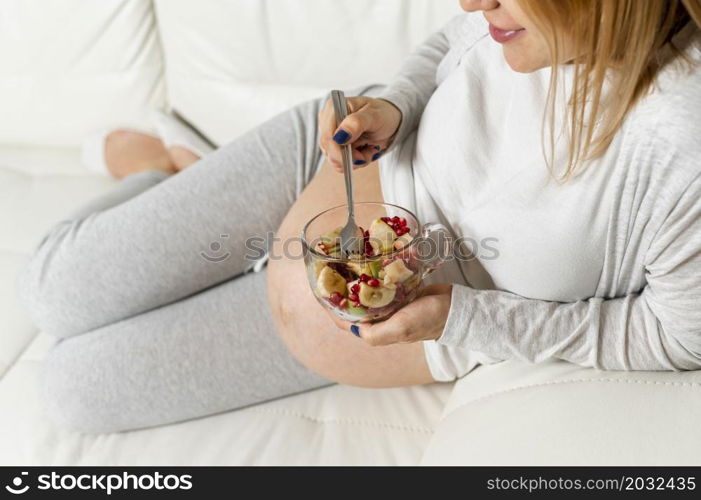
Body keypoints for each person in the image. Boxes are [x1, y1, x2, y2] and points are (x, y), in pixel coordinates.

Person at [17, 0, 701, 433]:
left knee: (72, 392)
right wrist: (396, 105)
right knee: (49, 288)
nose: (473, 2)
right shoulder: (508, 17)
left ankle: (182, 168)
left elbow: (676, 338)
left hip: (388, 318)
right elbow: (451, 41)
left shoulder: (679, 143)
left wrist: (463, 318)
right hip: (323, 162)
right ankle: (154, 165)